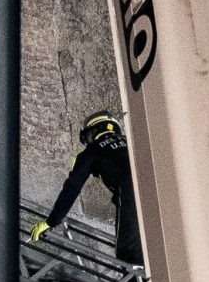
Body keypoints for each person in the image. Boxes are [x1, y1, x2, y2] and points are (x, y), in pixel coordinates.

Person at [30, 111, 144, 267]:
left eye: (88, 138)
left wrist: (51, 221)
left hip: (129, 190)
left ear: (94, 130)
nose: (88, 142)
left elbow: (72, 187)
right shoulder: (129, 143)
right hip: (157, 187)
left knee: (127, 251)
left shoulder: (92, 151)